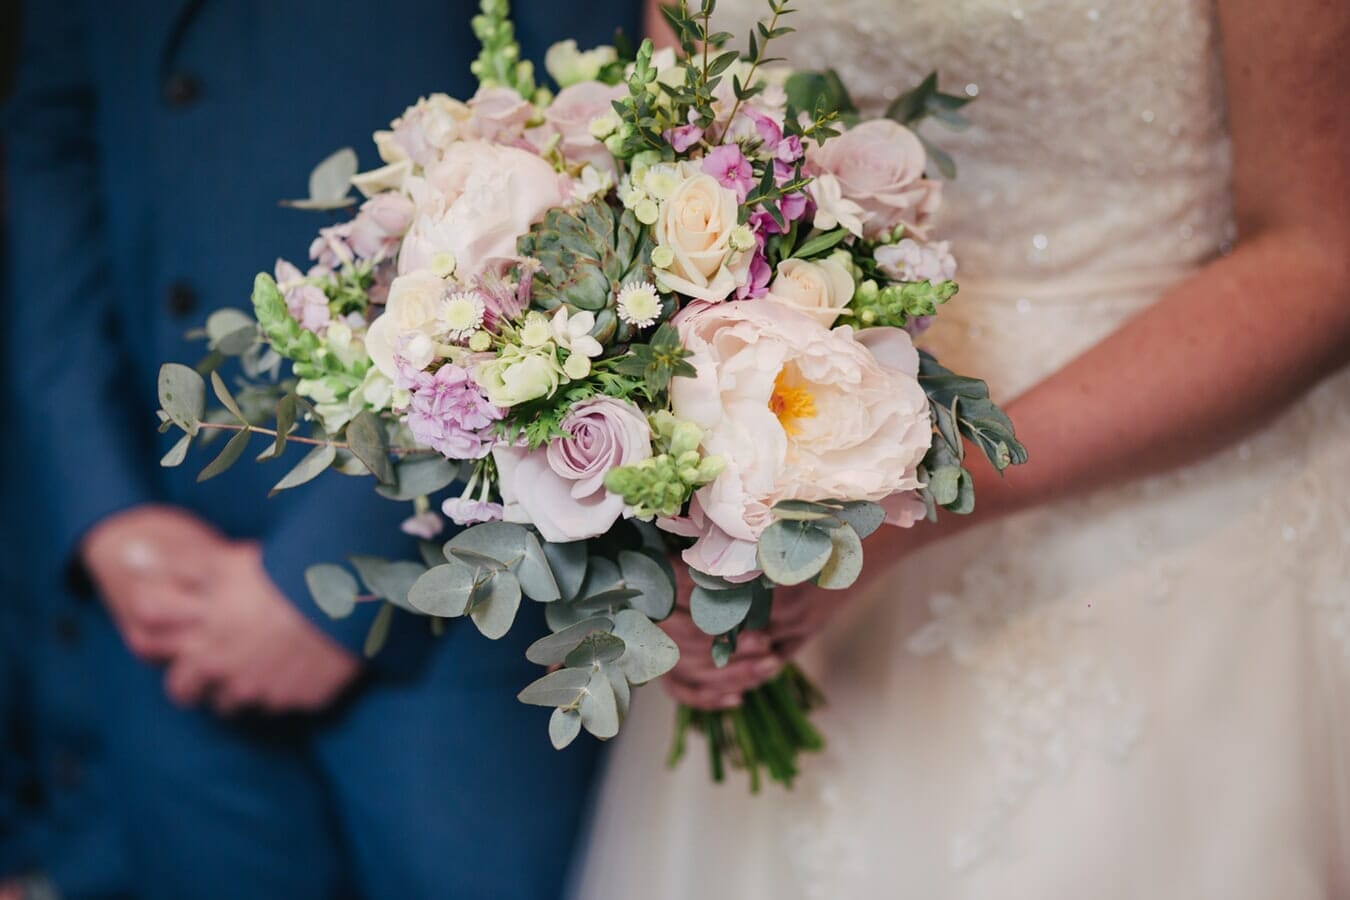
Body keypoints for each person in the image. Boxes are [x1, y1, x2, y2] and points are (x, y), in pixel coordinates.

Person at [576, 0, 1350, 897]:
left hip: (1157, 487)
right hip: (793, 459)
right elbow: (673, 167)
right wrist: (687, 534)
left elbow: (1322, 253)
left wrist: (918, 507)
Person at [3, 1, 639, 898]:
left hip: (457, 601)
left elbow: (598, 160)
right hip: (157, 604)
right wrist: (103, 509)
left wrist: (339, 572)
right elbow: (52, 149)